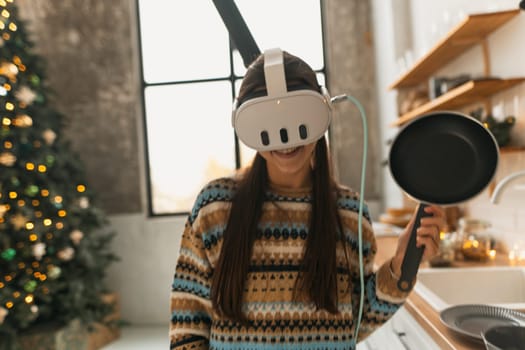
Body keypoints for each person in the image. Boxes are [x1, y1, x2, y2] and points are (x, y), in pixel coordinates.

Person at [169, 50, 446, 349]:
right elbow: (188, 327)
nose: (286, 139)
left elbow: (355, 322)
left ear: (322, 113)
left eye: (297, 117)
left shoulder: (350, 214)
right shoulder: (214, 208)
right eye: (270, 123)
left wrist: (400, 267)